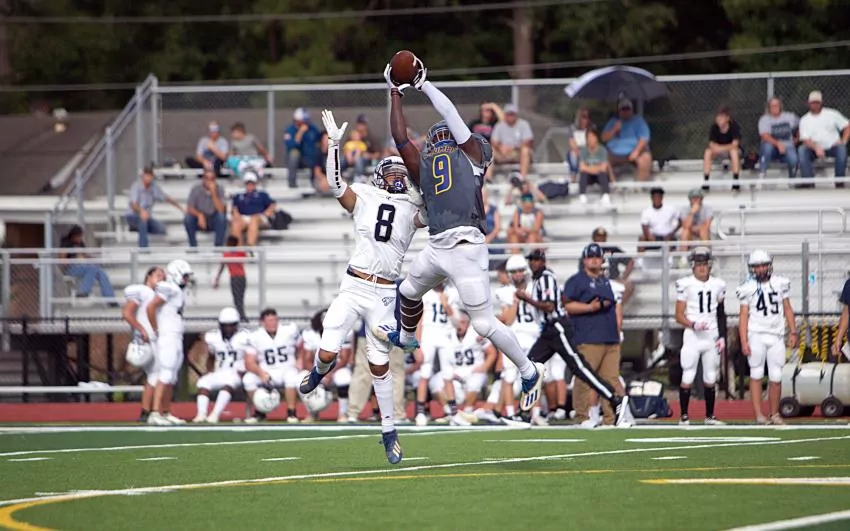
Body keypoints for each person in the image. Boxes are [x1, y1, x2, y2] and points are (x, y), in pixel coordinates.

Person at [383, 55, 546, 413]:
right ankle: (407, 338)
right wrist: (402, 88)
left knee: (484, 324)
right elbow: (404, 137)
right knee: (407, 291)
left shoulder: (463, 156)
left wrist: (403, 89)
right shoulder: (444, 160)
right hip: (439, 245)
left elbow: (404, 135)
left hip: (464, 246)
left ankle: (529, 369)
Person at [298, 109, 426, 464]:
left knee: (379, 364)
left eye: (402, 173)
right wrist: (334, 145)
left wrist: (424, 189)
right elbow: (335, 184)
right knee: (328, 351)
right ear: (380, 177)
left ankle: (389, 430)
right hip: (355, 284)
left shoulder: (412, 206)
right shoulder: (366, 195)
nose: (398, 178)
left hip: (384, 291)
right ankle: (319, 371)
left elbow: (432, 215)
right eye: (393, 173)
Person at [558, 245, 630, 427]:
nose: (594, 260)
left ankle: (611, 418)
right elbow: (566, 305)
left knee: (611, 379)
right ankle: (581, 416)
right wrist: (590, 307)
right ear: (584, 260)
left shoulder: (604, 281)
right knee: (585, 378)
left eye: (597, 257)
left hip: (610, 338)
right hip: (588, 338)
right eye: (590, 257)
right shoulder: (576, 281)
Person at [736, 250, 797, 425]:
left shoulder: (780, 283)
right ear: (752, 269)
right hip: (756, 334)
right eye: (757, 266)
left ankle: (774, 414)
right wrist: (743, 340)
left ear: (769, 266)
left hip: (776, 335)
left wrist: (793, 331)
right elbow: (743, 316)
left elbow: (787, 308)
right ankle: (759, 415)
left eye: (763, 265)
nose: (761, 269)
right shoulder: (747, 287)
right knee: (756, 373)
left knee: (776, 376)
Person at [674, 247, 727, 425]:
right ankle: (683, 416)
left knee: (711, 377)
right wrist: (693, 324)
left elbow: (721, 313)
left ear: (710, 265)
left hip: (711, 335)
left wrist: (722, 336)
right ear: (693, 266)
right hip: (693, 335)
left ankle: (710, 416)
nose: (702, 267)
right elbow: (678, 315)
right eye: (698, 264)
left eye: (704, 264)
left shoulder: (718, 284)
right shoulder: (685, 284)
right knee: (688, 375)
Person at [146, 259, 193, 426]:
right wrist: (155, 329)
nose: (187, 279)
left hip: (176, 336)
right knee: (165, 374)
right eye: (185, 276)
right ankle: (155, 412)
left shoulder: (177, 290)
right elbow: (150, 307)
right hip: (168, 336)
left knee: (171, 377)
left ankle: (165, 412)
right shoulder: (169, 288)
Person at [242, 308, 305, 423]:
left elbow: (301, 345)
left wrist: (300, 359)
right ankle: (261, 411)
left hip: (287, 368)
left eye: (275, 320)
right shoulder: (255, 336)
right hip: (267, 370)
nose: (273, 323)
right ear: (262, 322)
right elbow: (249, 361)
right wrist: (261, 373)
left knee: (291, 378)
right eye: (269, 321)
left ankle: (291, 413)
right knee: (248, 379)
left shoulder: (289, 330)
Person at [414, 283, 461, 426]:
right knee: (425, 373)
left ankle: (453, 413)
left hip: (446, 337)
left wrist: (446, 305)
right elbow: (419, 320)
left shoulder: (452, 293)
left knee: (448, 375)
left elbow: (457, 323)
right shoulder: (425, 293)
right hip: (428, 336)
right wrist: (417, 344)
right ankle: (420, 412)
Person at [122, 266, 165, 422]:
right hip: (148, 338)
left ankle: (148, 411)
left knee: (154, 375)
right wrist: (141, 330)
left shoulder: (157, 294)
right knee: (156, 374)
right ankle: (152, 411)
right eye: (158, 275)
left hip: (154, 337)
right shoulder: (142, 290)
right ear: (148, 276)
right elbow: (127, 313)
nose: (161, 279)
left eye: (163, 277)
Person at [192, 307, 249, 424]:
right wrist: (209, 371)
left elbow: (251, 357)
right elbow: (211, 356)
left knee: (228, 384)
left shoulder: (245, 337)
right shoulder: (214, 337)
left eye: (231, 325)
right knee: (203, 382)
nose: (228, 328)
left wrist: (245, 371)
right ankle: (201, 414)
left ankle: (215, 414)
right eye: (225, 325)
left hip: (236, 372)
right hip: (220, 371)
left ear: (236, 325)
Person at [125, 166, 184, 248]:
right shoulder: (136, 186)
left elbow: (166, 198)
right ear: (143, 176)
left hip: (147, 216)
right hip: (133, 215)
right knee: (143, 221)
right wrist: (141, 211)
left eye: (150, 176)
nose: (148, 178)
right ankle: (143, 249)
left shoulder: (154, 187)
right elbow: (133, 205)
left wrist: (180, 207)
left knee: (161, 229)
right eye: (146, 176)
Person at [59, 225, 117, 305]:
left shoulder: (80, 243)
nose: (80, 238)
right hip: (70, 267)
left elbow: (85, 256)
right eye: (78, 237)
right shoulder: (66, 243)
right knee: (92, 268)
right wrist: (75, 259)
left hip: (83, 266)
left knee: (101, 273)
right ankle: (83, 291)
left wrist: (93, 260)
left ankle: (110, 299)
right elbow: (62, 261)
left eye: (81, 236)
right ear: (73, 236)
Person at [184, 169, 228, 248]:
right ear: (203, 179)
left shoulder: (220, 189)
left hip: (213, 219)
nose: (209, 181)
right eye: (207, 178)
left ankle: (218, 247)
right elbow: (189, 208)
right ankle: (193, 246)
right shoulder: (196, 189)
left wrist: (213, 193)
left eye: (212, 179)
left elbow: (221, 210)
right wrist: (199, 215)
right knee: (188, 218)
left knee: (221, 217)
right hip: (199, 220)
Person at [702, 106, 742, 191]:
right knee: (707, 152)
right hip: (718, 151)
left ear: (727, 118)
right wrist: (717, 149)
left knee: (734, 152)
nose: (719, 120)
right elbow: (711, 144)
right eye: (718, 117)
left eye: (722, 117)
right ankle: (706, 180)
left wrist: (721, 148)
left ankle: (736, 181)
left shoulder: (734, 126)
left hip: (729, 150)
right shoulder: (714, 127)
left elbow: (735, 144)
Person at [213, 236, 248, 322]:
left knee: (238, 298)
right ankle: (241, 315)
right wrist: (217, 278)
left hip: (236, 277)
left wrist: (217, 278)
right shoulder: (238, 253)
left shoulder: (229, 254)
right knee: (239, 298)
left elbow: (222, 266)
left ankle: (241, 316)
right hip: (240, 277)